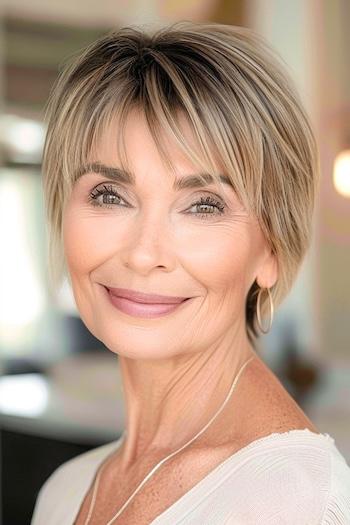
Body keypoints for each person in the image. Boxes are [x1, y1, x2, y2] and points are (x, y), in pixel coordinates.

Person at [31, 20, 350, 524]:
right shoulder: (65, 492)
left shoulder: (294, 500)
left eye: (203, 205)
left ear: (271, 249)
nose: (143, 254)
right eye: (110, 195)